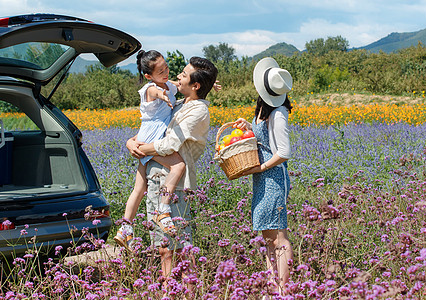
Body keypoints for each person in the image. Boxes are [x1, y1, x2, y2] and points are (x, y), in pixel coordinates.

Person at [126, 56, 218, 280]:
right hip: (157, 179)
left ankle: (188, 291)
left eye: (184, 75)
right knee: (164, 247)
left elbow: (168, 145)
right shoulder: (179, 104)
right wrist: (131, 141)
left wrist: (142, 149)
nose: (178, 76)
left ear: (195, 85)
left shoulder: (197, 111)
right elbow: (154, 129)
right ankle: (172, 291)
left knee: (179, 246)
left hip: (174, 186)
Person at [233, 57, 294, 296]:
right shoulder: (265, 110)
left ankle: (284, 290)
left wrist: (260, 168)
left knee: (279, 236)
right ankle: (272, 286)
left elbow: (284, 152)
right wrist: (249, 127)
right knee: (268, 237)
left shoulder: (278, 114)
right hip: (263, 179)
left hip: (274, 179)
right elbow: (265, 141)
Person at [114, 50, 186, 249]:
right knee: (178, 166)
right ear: (148, 76)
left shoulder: (168, 84)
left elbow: (181, 85)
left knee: (139, 188)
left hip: (146, 136)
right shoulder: (150, 88)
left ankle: (125, 228)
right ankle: (163, 210)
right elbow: (156, 92)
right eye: (160, 71)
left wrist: (207, 84)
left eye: (166, 68)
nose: (166, 73)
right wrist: (163, 95)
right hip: (151, 138)